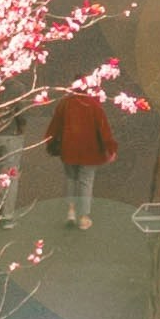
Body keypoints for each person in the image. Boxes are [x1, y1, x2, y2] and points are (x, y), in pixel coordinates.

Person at [49, 82, 122, 224]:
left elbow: (55, 125)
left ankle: (70, 211)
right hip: (89, 151)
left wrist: (51, 144)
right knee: (86, 182)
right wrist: (111, 149)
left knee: (70, 179)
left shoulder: (65, 104)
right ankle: (83, 217)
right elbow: (104, 130)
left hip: (68, 149)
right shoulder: (94, 106)